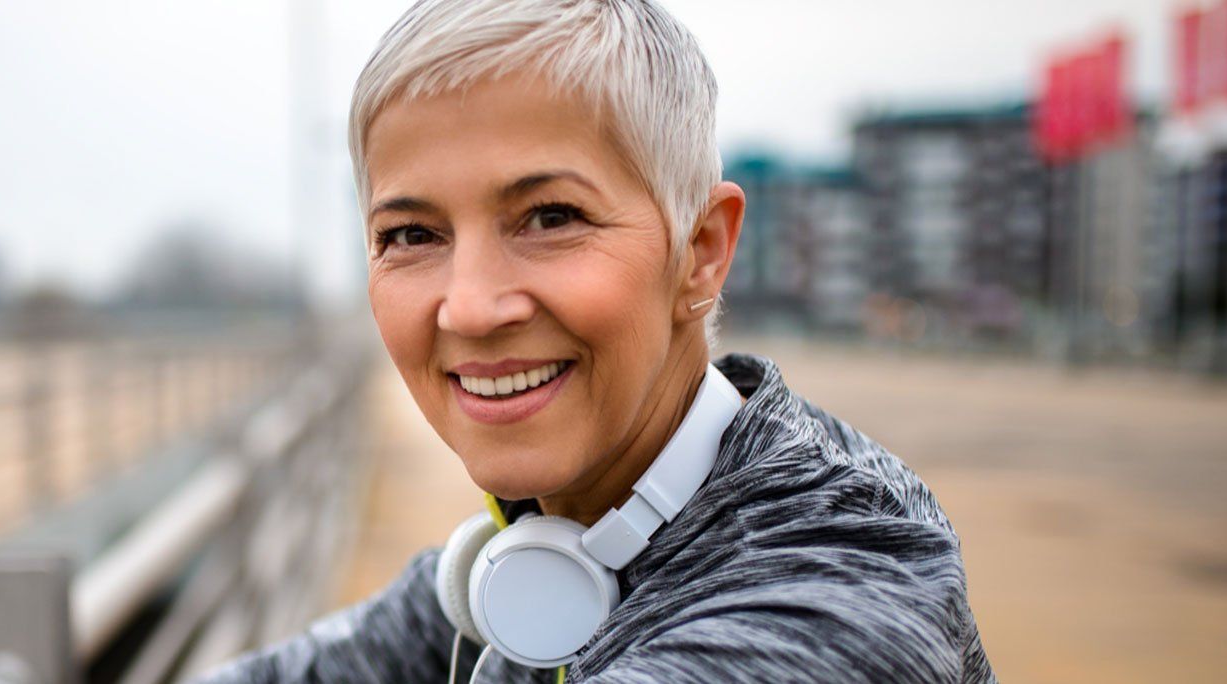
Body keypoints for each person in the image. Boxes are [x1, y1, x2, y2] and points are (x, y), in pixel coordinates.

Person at [199, 1, 995, 682]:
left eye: (551, 217)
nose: (471, 309)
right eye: (411, 233)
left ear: (701, 251)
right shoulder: (548, 538)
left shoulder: (834, 607)